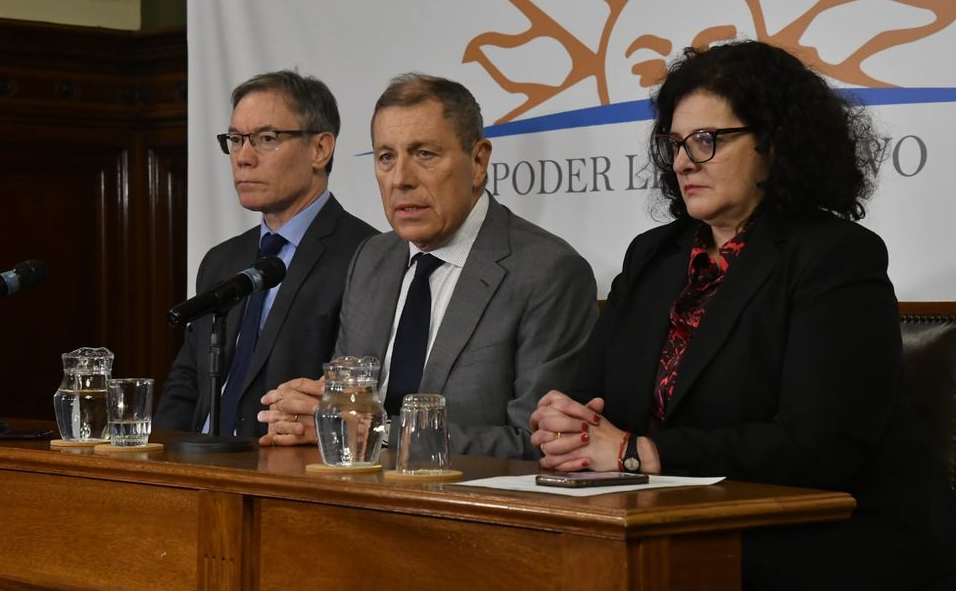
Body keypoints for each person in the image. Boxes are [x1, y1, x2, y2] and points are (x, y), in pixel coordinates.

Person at [529, 41, 956, 590]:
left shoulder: (835, 256)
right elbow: (590, 394)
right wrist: (566, 424)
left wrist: (641, 452)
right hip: (671, 525)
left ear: (774, 143)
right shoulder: (653, 256)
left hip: (821, 544)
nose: (683, 161)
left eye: (707, 140)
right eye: (675, 143)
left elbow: (820, 445)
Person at [258, 73, 598, 458]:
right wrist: (312, 417)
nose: (401, 179)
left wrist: (375, 432)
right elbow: (346, 408)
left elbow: (537, 443)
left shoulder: (547, 272)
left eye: (424, 154)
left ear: (478, 161)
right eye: (386, 157)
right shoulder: (372, 259)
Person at [155, 70, 377, 436]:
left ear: (320, 149)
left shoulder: (367, 257)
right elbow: (187, 383)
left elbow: (353, 399)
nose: (243, 157)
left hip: (286, 471)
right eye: (236, 139)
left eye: (266, 138)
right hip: (200, 467)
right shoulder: (221, 260)